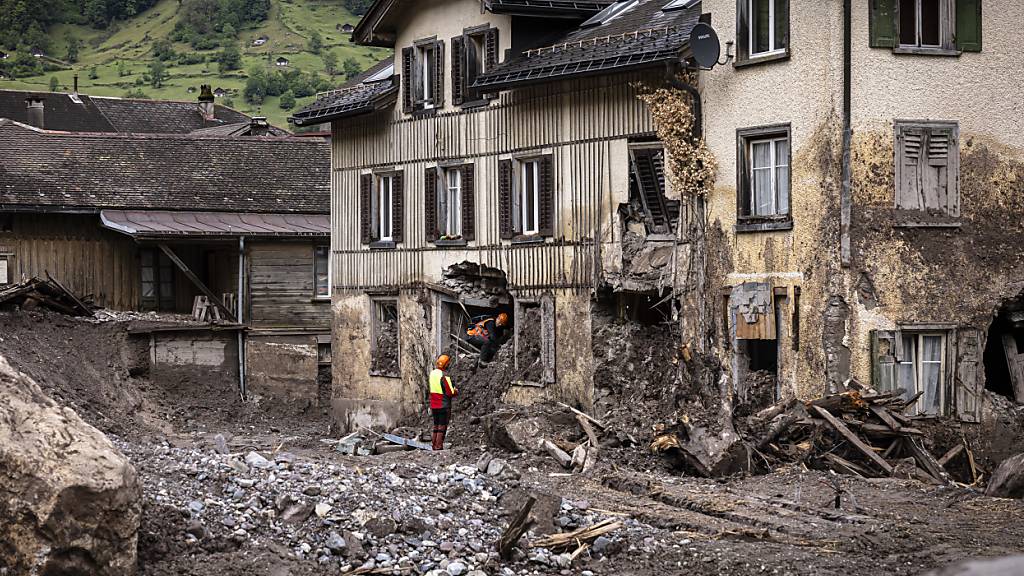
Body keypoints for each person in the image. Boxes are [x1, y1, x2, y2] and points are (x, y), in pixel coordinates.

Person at [429, 354, 458, 450]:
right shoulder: (444, 376)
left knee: (436, 426)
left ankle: (433, 445)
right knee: (442, 426)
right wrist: (456, 391)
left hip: (434, 405)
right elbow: (450, 392)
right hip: (443, 405)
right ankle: (438, 446)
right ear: (446, 365)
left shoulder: (432, 374)